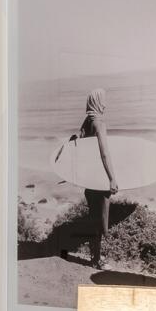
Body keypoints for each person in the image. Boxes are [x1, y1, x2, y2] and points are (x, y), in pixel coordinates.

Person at [50, 90, 119, 270]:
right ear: (97, 102)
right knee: (101, 221)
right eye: (103, 101)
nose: (105, 104)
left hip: (89, 179)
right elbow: (104, 153)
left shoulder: (88, 121)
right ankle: (97, 260)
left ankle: (94, 257)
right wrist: (112, 178)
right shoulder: (99, 123)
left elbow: (77, 141)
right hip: (99, 178)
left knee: (93, 218)